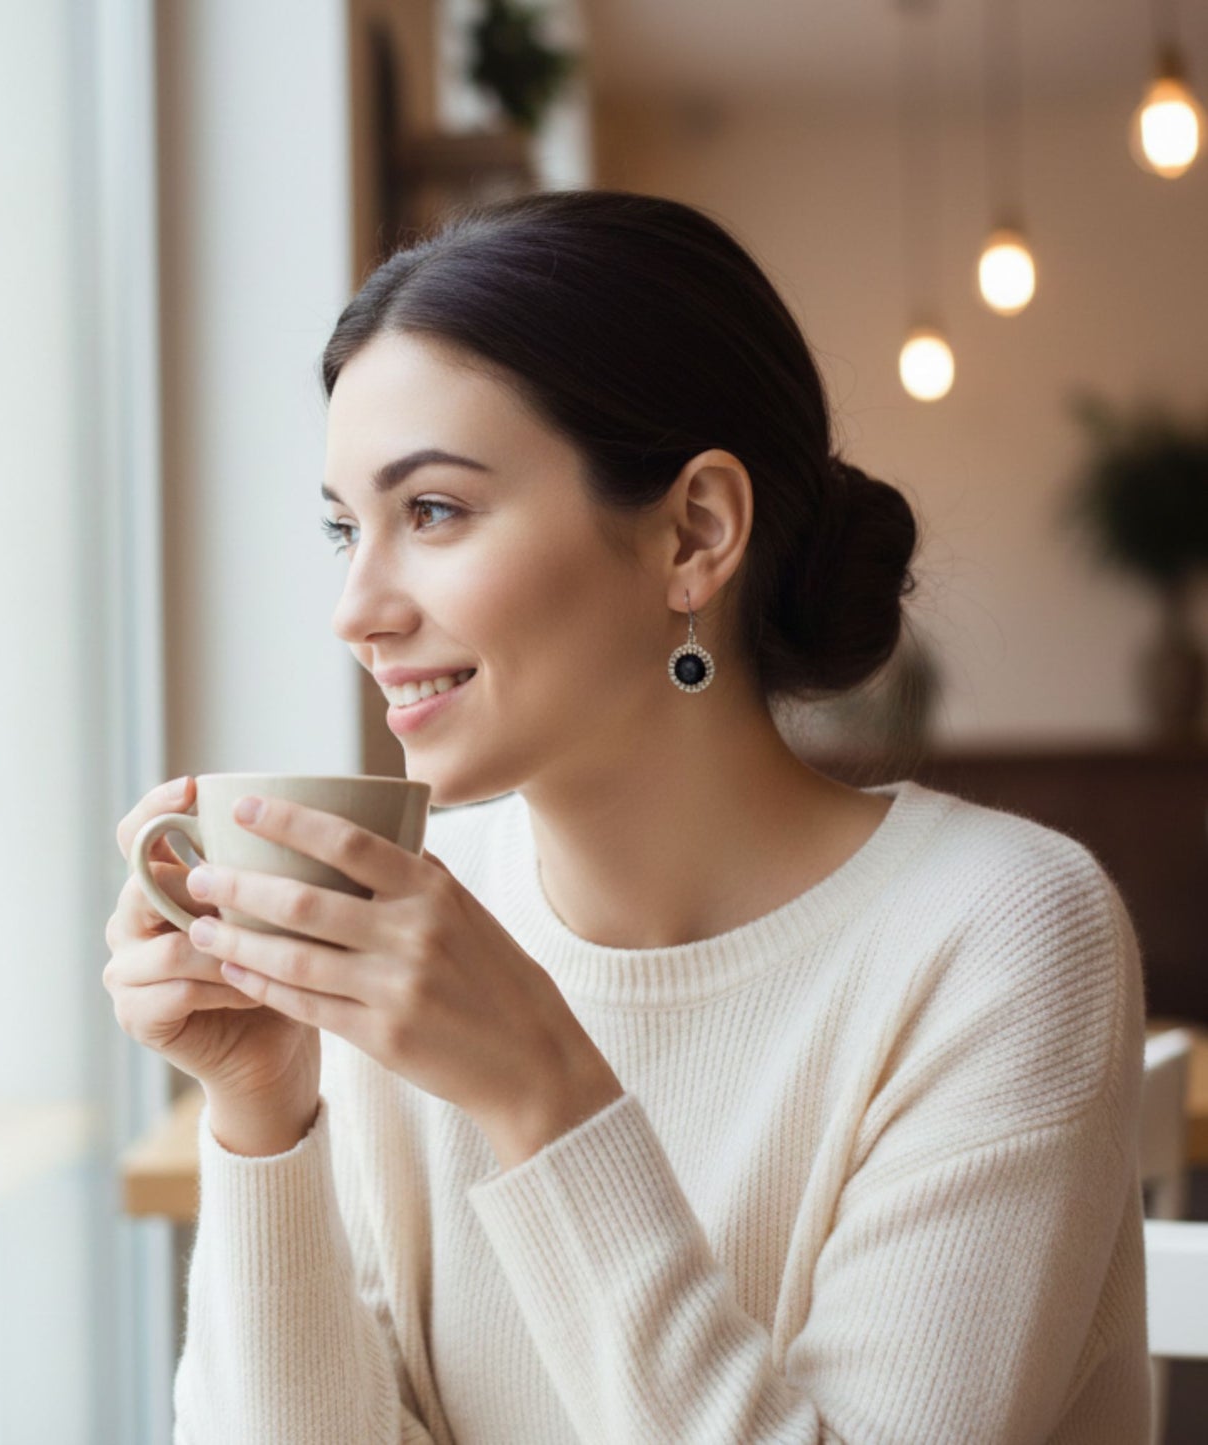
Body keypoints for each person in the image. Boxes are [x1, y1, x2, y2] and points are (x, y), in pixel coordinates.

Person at [104, 189, 1150, 1443]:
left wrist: (542, 1091)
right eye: (344, 528)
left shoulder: (999, 933)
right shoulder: (418, 920)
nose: (356, 605)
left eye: (429, 510)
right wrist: (262, 1107)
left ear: (693, 533)